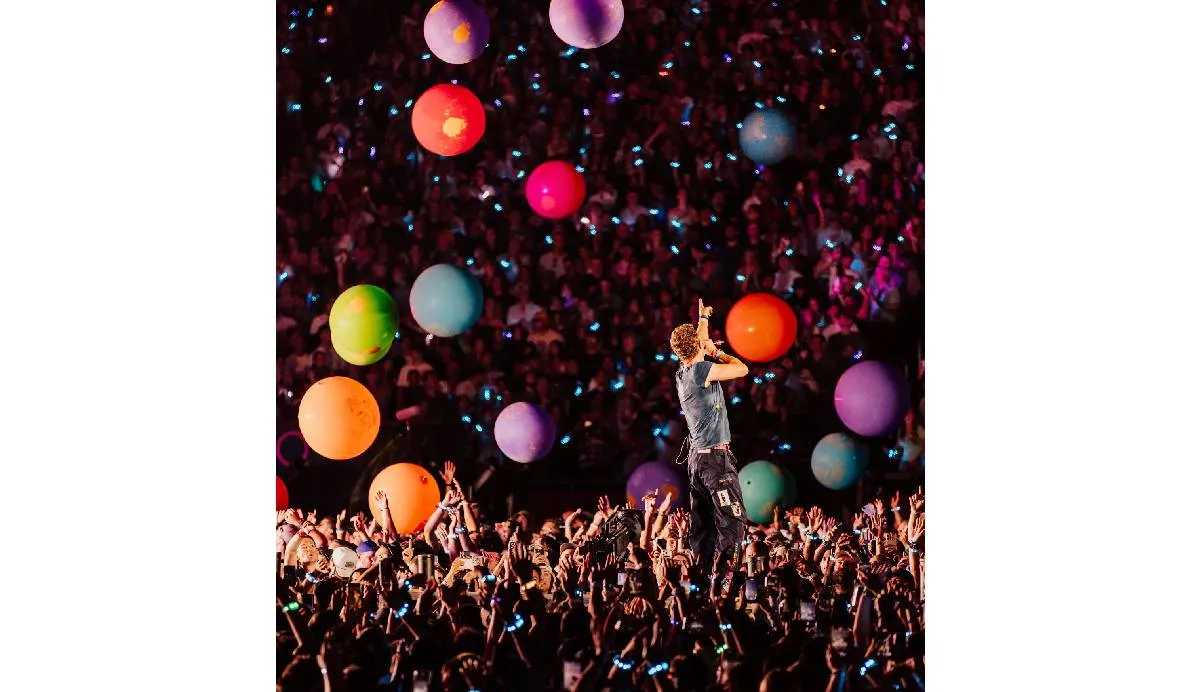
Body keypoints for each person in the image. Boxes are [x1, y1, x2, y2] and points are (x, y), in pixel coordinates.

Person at [669, 298, 751, 573]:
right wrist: (718, 354)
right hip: (715, 461)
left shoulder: (683, 372)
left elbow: (697, 347)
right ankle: (726, 584)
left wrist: (703, 320)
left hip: (697, 461)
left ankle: (701, 579)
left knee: (703, 528)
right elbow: (742, 369)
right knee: (732, 523)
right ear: (698, 349)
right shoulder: (702, 370)